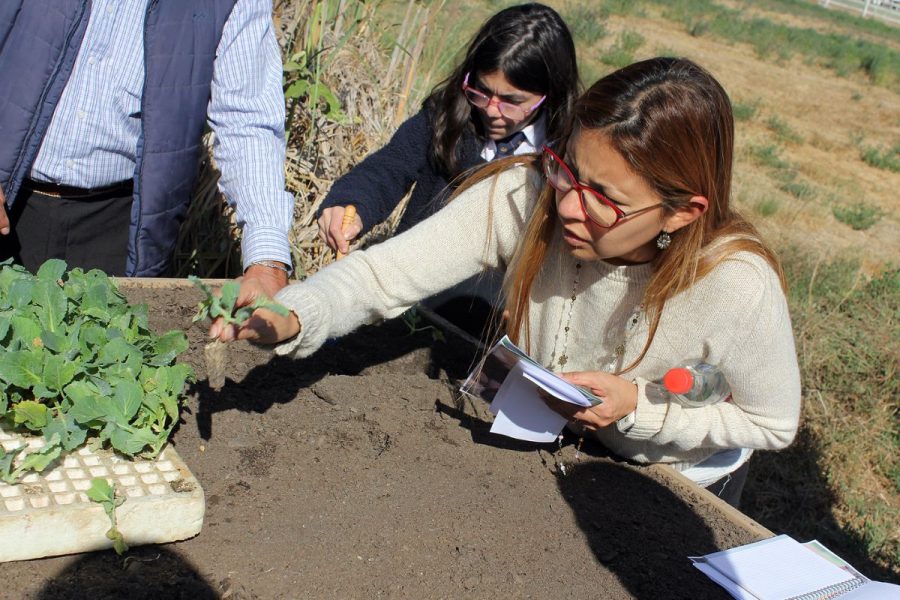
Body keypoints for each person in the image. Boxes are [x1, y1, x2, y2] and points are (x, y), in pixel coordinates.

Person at [213, 57, 802, 508]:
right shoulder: (526, 196)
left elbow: (771, 423)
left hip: (673, 486)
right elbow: (382, 274)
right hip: (556, 444)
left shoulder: (735, 284)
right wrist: (295, 313)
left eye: (606, 199)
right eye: (568, 168)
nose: (570, 204)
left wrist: (641, 409)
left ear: (682, 212)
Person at [0, 0, 293, 301]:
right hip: (11, 205)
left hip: (122, 225)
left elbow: (247, 121)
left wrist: (267, 261)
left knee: (110, 343)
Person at [317, 1, 578, 258]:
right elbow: (389, 168)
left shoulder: (569, 155)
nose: (490, 110)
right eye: (482, 91)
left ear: (551, 94)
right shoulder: (447, 116)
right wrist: (351, 203)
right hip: (409, 281)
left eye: (512, 102)